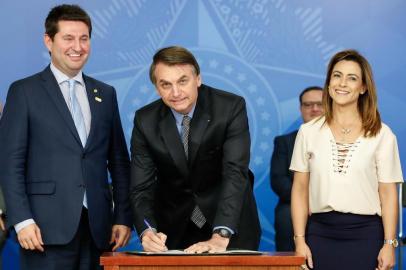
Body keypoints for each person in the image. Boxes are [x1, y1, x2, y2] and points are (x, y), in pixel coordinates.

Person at [0, 4, 131, 270]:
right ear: (49, 41)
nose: (78, 46)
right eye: (68, 38)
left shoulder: (105, 94)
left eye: (84, 39)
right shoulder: (23, 92)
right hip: (43, 231)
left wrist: (123, 217)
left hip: (98, 231)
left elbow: (118, 162)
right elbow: (10, 162)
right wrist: (22, 220)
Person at [129, 46, 261, 253]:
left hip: (228, 221)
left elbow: (235, 173)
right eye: (165, 84)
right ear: (157, 88)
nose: (175, 93)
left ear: (198, 79)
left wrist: (221, 235)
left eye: (183, 81)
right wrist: (148, 232)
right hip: (173, 226)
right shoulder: (145, 120)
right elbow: (141, 187)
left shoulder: (230, 107)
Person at [290, 49, 403, 270]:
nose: (342, 83)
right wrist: (299, 240)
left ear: (363, 87)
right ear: (329, 82)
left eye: (352, 78)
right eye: (337, 75)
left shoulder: (382, 134)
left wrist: (389, 244)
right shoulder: (307, 132)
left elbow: (388, 194)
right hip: (319, 234)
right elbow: (300, 189)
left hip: (367, 235)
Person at [271, 86, 323, 251]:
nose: (314, 109)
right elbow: (279, 180)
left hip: (331, 204)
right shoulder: (284, 141)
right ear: (301, 109)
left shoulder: (343, 140)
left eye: (320, 104)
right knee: (287, 214)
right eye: (308, 105)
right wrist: (305, 202)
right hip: (293, 203)